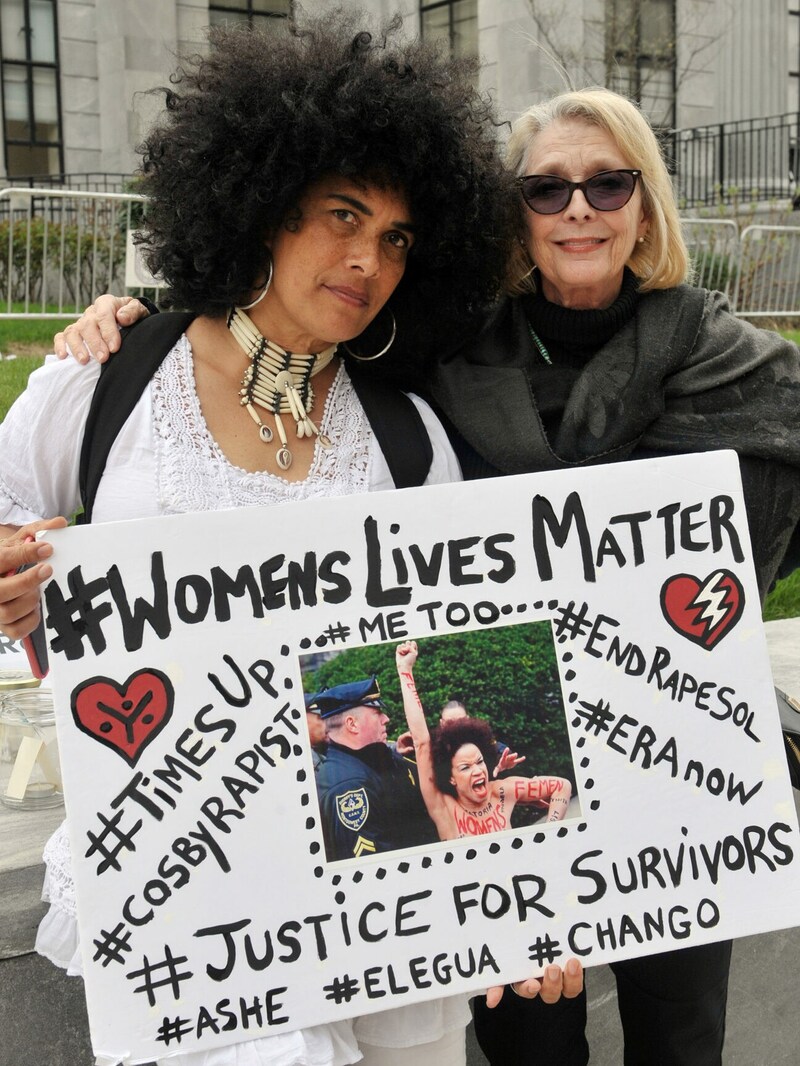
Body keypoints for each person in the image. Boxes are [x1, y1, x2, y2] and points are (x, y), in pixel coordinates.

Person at [48, 82, 799, 1066]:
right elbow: (282, 356)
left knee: (680, 1034)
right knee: (530, 1043)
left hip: (664, 759)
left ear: (644, 204)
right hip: (496, 772)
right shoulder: (438, 359)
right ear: (509, 217)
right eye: (543, 190)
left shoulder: (730, 360)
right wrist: (138, 322)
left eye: (607, 183)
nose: (577, 207)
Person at [0, 17, 584, 1066]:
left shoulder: (409, 440)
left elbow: (471, 660)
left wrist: (524, 908)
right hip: (187, 901)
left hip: (387, 898)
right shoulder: (107, 381)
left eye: (400, 236)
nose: (367, 258)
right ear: (262, 203)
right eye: (341, 215)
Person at [395, 641, 571, 839]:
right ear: (451, 777)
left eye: (479, 762)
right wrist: (405, 669)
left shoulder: (501, 792)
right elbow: (421, 742)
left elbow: (561, 786)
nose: (478, 770)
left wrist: (550, 833)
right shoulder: (444, 808)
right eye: (465, 767)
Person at [310, 676, 438, 860]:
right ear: (352, 724)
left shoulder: (375, 761)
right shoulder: (348, 787)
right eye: (377, 712)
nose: (386, 719)